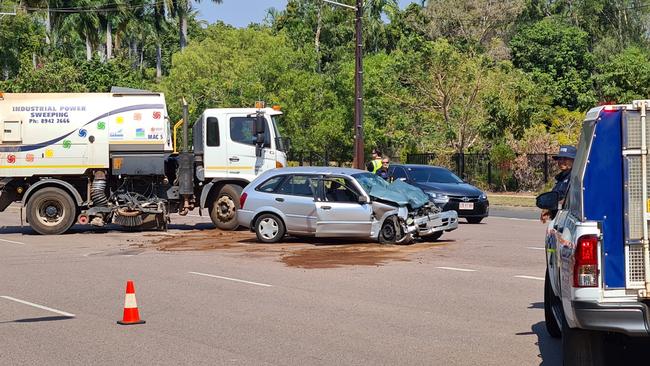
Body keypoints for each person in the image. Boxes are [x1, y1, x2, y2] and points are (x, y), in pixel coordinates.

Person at [540, 145, 576, 223]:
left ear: (574, 160)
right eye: (560, 158)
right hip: (559, 221)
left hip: (568, 222)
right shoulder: (561, 177)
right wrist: (549, 210)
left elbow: (568, 199)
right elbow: (556, 196)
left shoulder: (575, 177)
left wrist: (550, 207)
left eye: (565, 158)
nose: (561, 161)